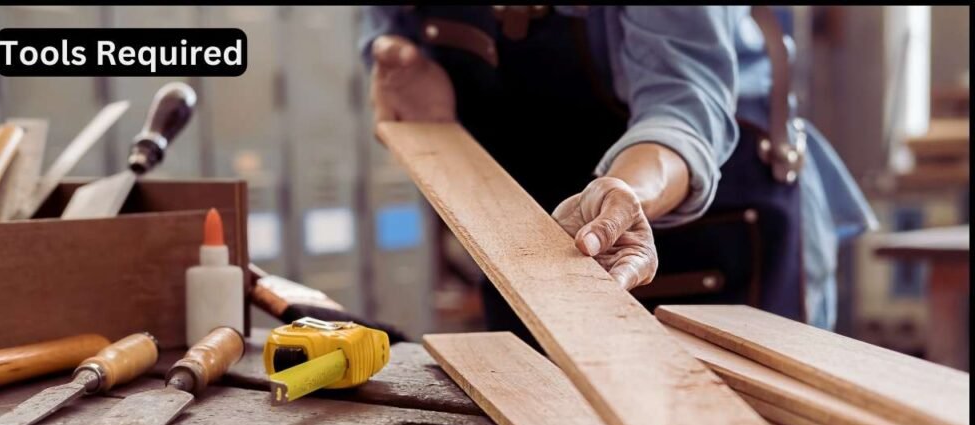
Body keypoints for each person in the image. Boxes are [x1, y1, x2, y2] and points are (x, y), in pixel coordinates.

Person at [360, 6, 876, 339]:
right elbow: (388, 23)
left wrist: (625, 192)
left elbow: (682, 105)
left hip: (704, 217)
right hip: (540, 226)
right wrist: (399, 59)